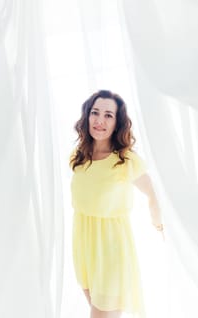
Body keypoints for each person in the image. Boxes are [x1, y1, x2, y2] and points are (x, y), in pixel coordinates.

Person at [69, 89, 164, 318]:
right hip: (84, 249)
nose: (100, 120)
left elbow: (153, 193)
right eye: (95, 112)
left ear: (117, 122)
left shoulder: (125, 160)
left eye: (109, 115)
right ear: (87, 116)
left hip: (112, 253)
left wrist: (160, 225)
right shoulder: (78, 155)